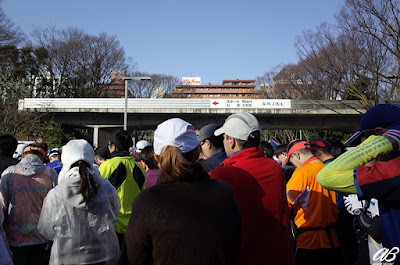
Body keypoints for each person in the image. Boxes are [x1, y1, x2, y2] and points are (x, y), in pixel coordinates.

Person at [119, 118, 241, 265]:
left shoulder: (147, 202)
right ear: (197, 153)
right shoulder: (223, 193)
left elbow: (132, 259)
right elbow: (233, 248)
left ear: (156, 157)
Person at [317, 104, 400, 263]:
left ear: (381, 134)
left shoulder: (392, 170)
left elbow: (327, 176)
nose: (363, 151)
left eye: (362, 144)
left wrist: (383, 141)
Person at [210, 113, 293, 265]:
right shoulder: (275, 169)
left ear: (232, 140)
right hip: (278, 256)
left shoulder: (222, 175)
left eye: (224, 138)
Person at [37, 139, 121, 265]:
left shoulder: (56, 193)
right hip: (104, 255)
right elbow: (114, 214)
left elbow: (46, 230)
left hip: (66, 257)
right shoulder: (106, 189)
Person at [0, 144, 58, 265]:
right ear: (42, 157)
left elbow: (1, 205)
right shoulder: (50, 173)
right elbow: (57, 206)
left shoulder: (10, 172)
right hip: (42, 235)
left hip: (14, 235)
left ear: (23, 156)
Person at [285, 139, 338, 265]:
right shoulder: (326, 168)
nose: (294, 165)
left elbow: (285, 204)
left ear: (297, 156)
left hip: (309, 241)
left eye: (292, 161)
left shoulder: (302, 172)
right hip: (332, 238)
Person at [310, 138, 357, 265]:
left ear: (318, 153)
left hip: (334, 217)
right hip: (349, 214)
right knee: (349, 251)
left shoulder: (321, 170)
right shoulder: (343, 164)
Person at [99, 129, 146, 247]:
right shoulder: (139, 168)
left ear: (113, 147)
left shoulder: (106, 166)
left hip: (112, 226)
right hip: (134, 225)